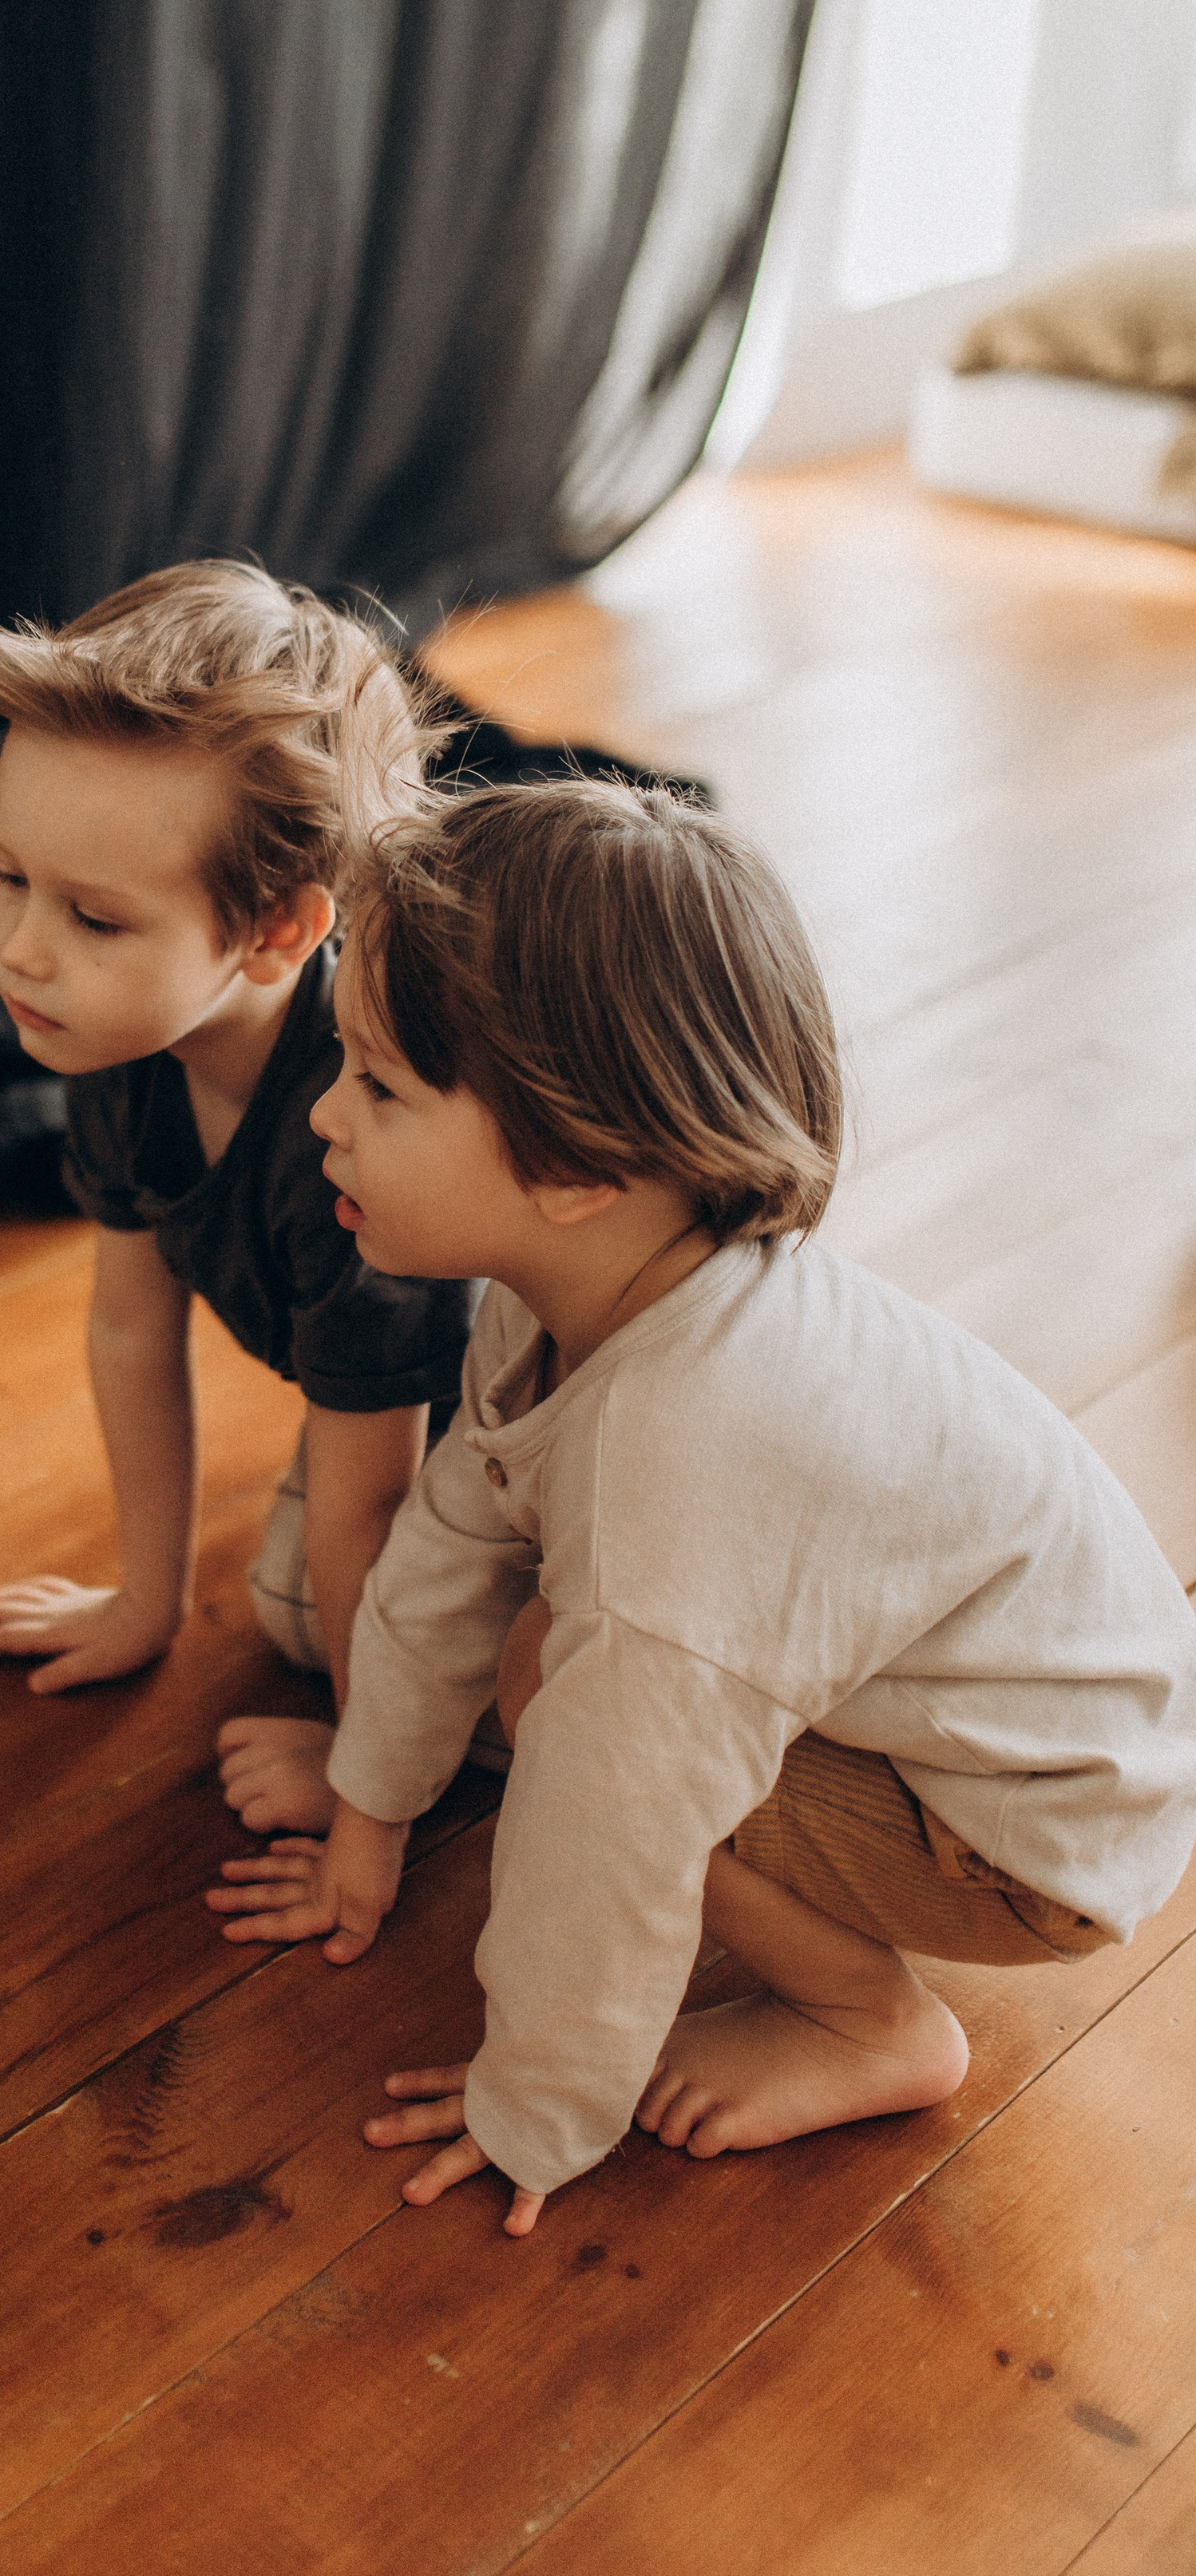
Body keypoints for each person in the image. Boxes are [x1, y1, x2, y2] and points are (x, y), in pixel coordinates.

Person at [209, 779, 1196, 2232]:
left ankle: (874, 2028)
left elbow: (611, 1833)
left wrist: (538, 2106)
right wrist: (371, 1816)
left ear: (577, 1173)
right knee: (560, 1656)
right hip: (974, 1723)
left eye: (378, 1088)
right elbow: (444, 1556)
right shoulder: (558, 1298)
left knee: (578, 1701)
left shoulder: (692, 1453)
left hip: (1033, 1834)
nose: (320, 1118)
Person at [0, 563, 479, 1835]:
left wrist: (364, 1783)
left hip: (535, 1451)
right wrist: (143, 1603)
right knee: (304, 1592)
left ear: (280, 933)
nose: (21, 948)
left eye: (96, 918)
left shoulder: (359, 1139)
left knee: (306, 1609)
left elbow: (374, 1499)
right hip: (390, 1423)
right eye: (10, 876)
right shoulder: (114, 1044)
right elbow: (132, 1323)